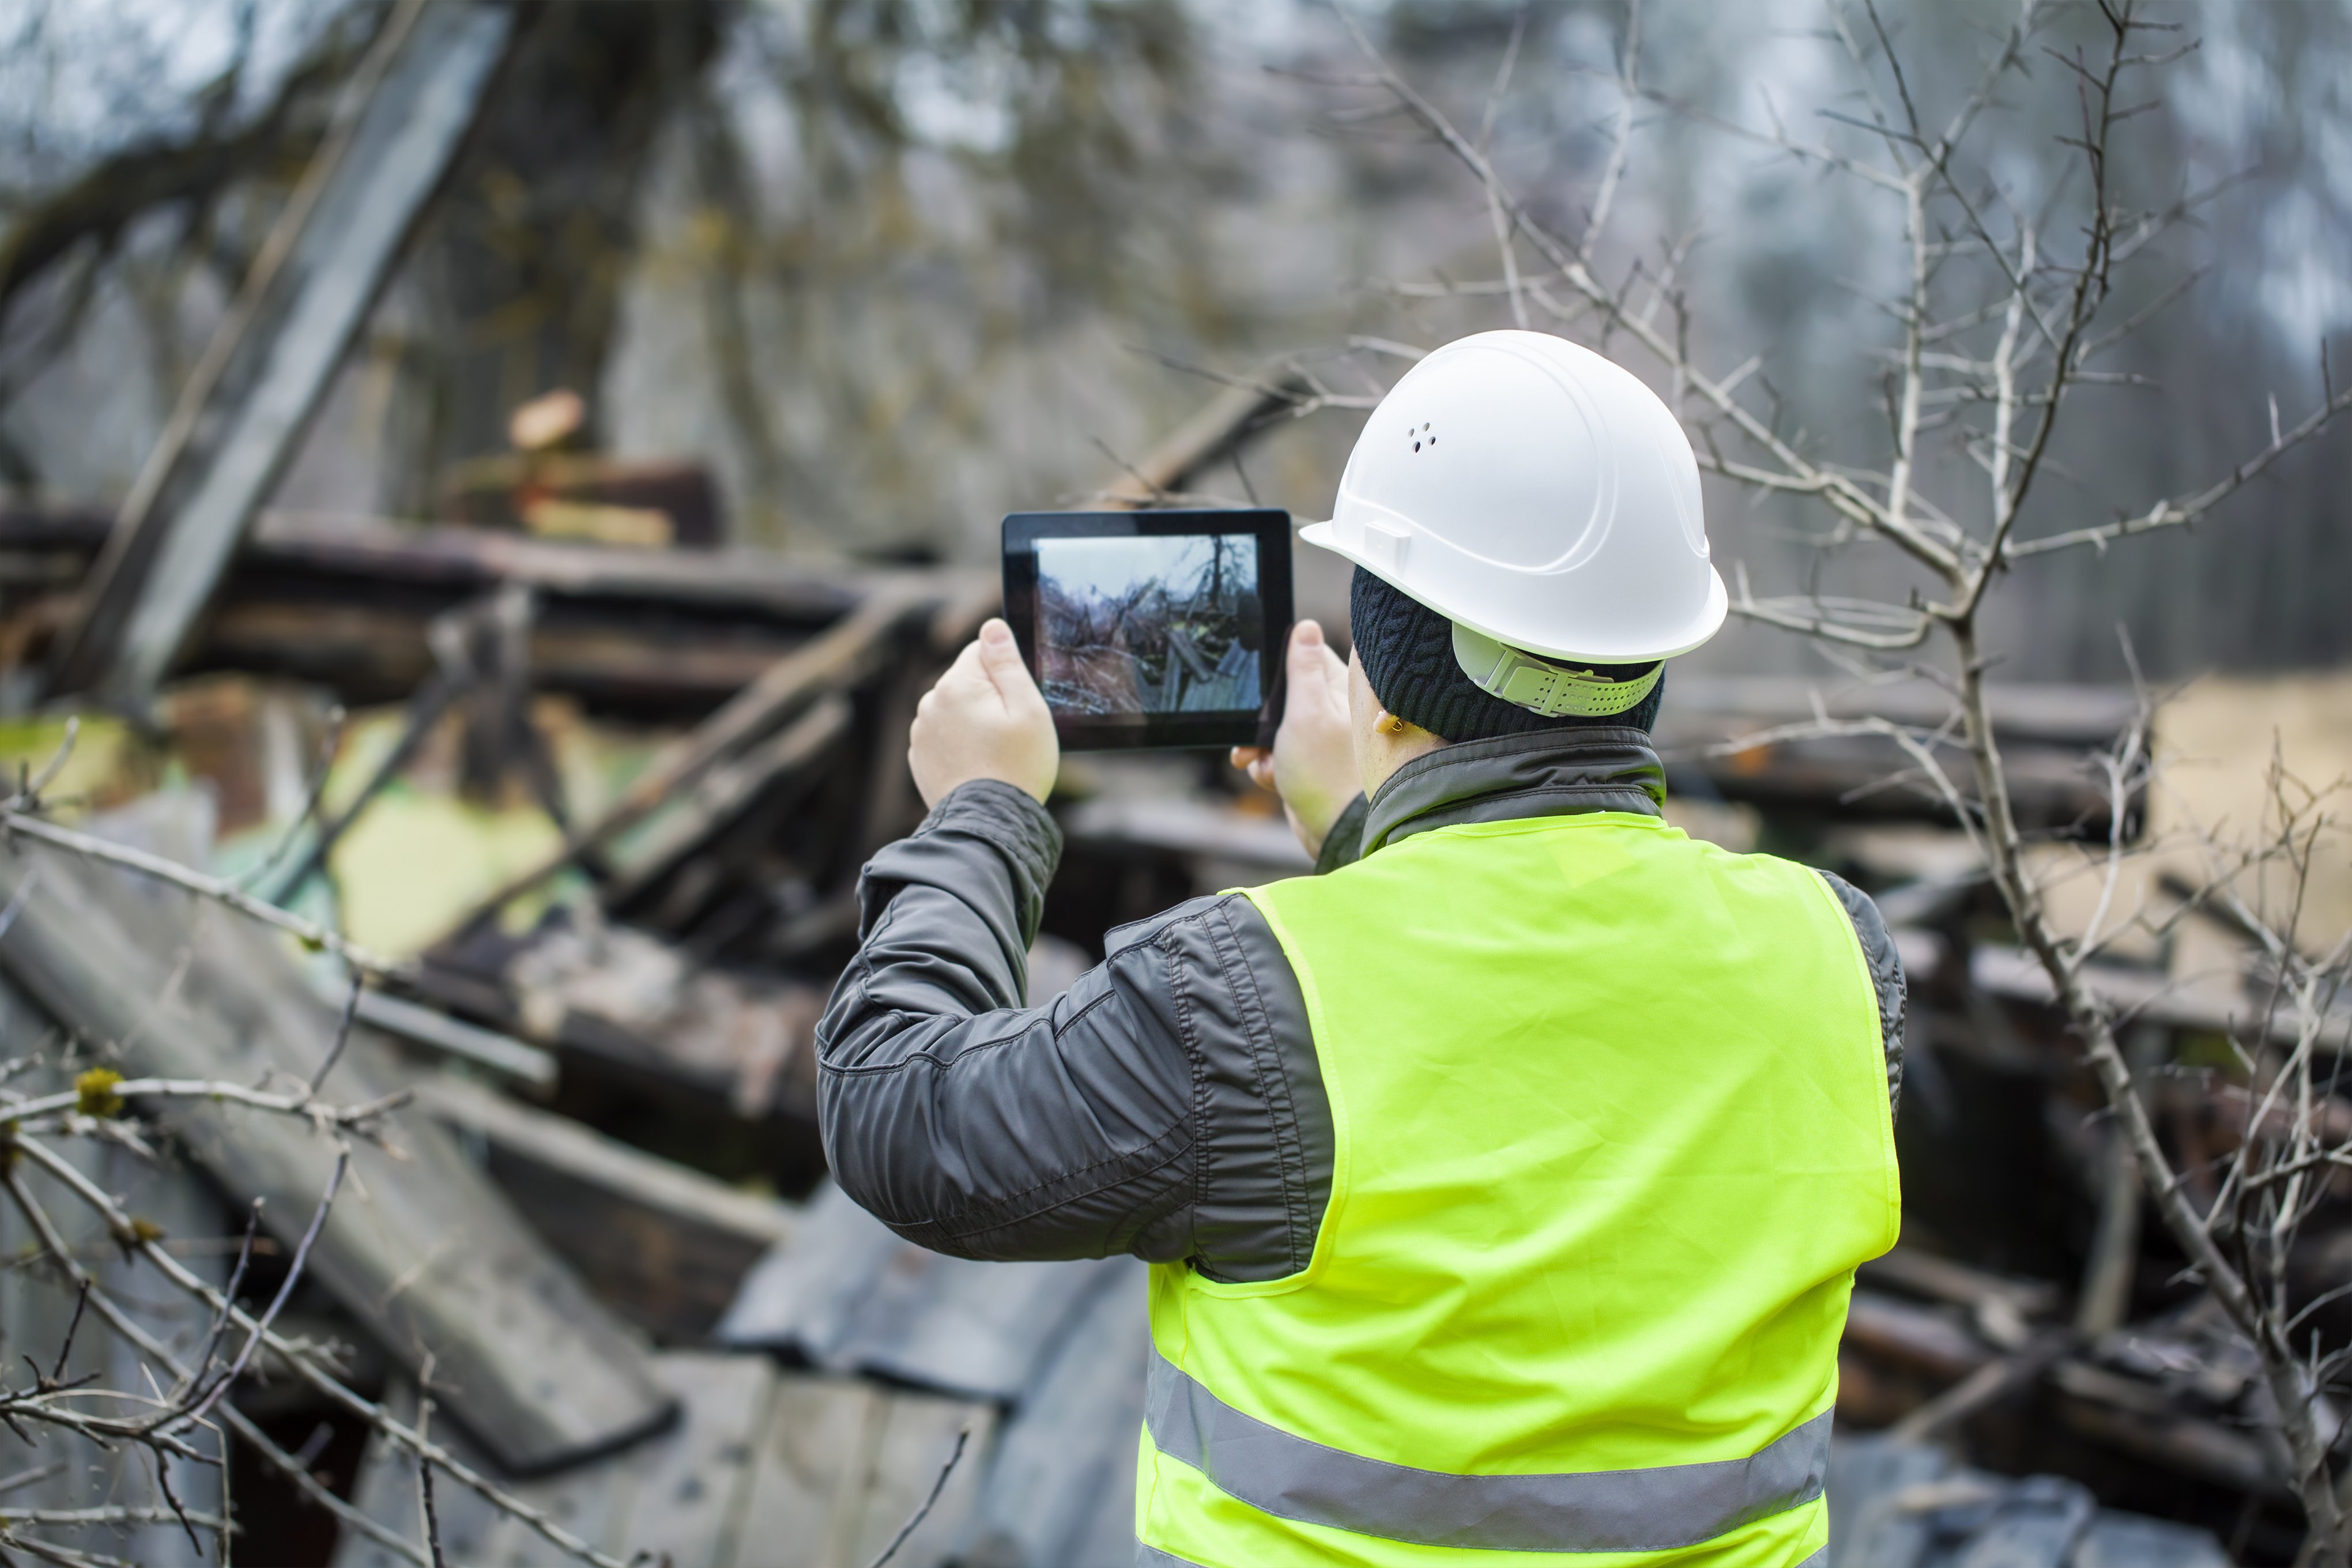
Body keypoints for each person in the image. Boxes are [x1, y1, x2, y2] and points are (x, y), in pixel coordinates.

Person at [818, 330, 1904, 1568]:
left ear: (1382, 649)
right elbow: (1533, 1063)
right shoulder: (1841, 957)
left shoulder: (1233, 999)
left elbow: (898, 1111)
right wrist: (1361, 830)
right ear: (1655, 649)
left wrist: (983, 810)